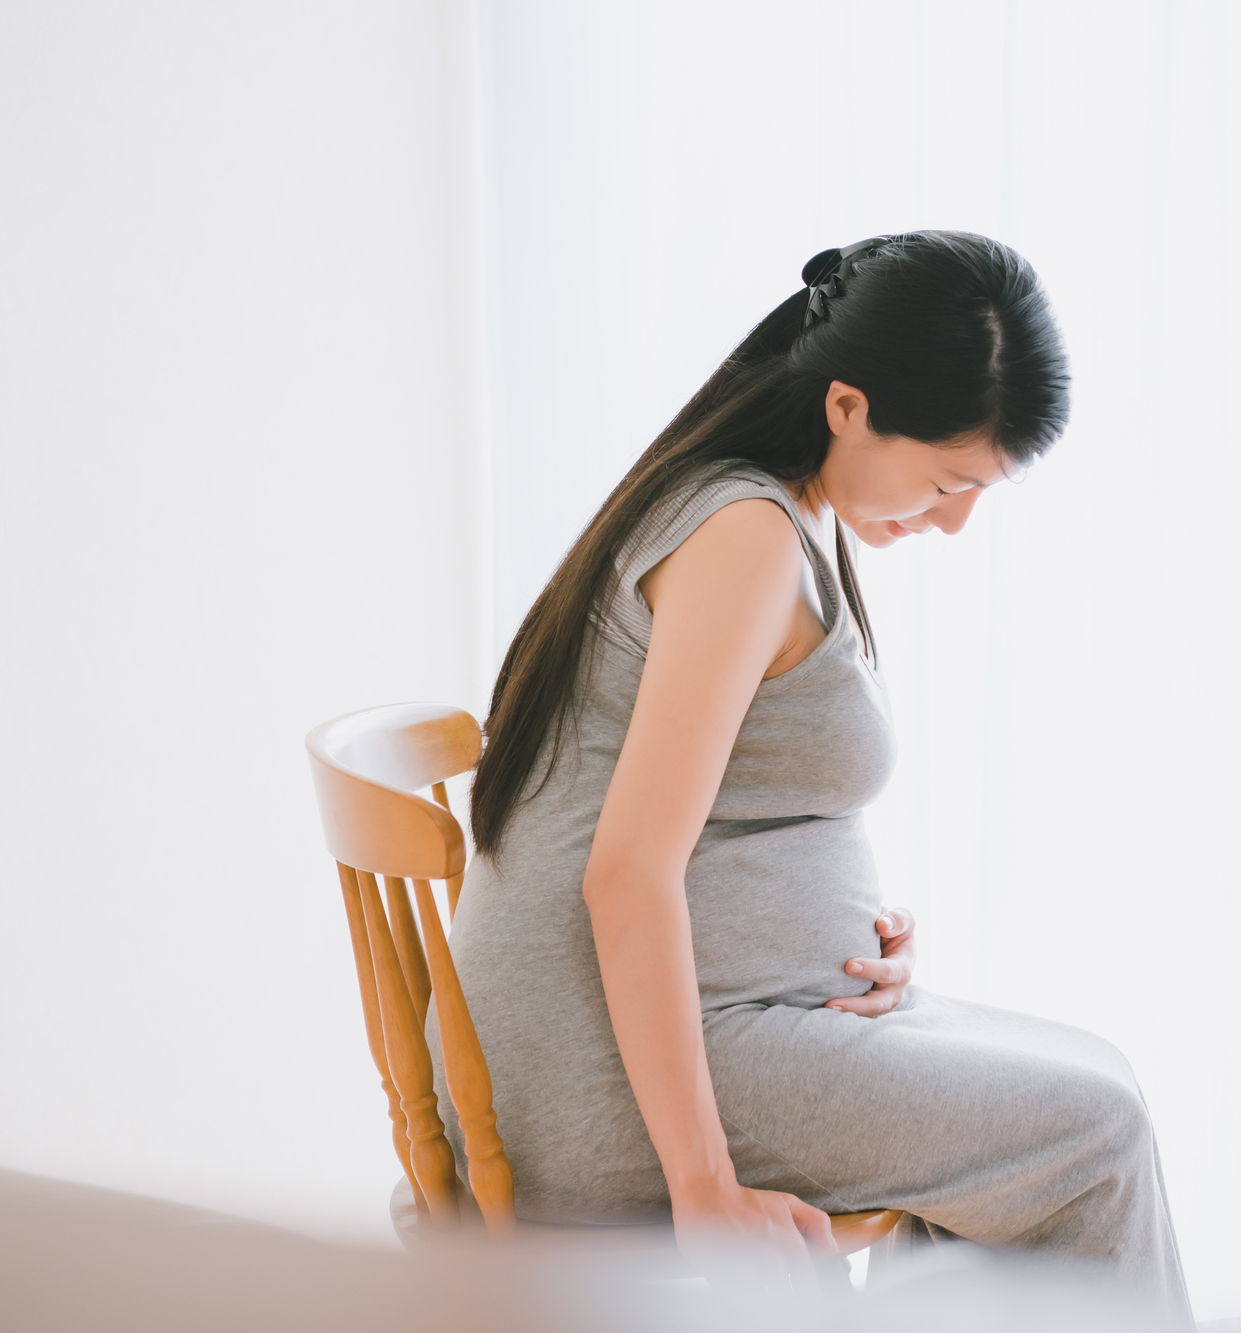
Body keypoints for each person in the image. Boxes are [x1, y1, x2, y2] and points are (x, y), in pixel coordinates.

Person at [433, 231, 1189, 1314]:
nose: (953, 519)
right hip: (604, 1079)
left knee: (1091, 1077)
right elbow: (626, 871)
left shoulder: (782, 507)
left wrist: (832, 927)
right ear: (846, 406)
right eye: (943, 477)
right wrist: (700, 1184)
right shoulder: (743, 534)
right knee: (1093, 1135)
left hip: (715, 1019)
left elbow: (733, 805)